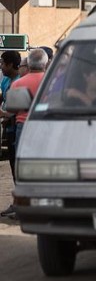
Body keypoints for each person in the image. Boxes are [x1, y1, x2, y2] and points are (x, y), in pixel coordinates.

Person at [1, 49, 48, 219]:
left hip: (23, 126)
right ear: (45, 63)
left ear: (28, 64)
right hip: (46, 127)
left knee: (23, 168)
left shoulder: (18, 83)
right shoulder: (52, 81)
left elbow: (12, 109)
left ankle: (23, 207)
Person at [0, 51, 22, 181]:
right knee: (12, 163)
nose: (1, 66)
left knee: (16, 162)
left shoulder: (20, 82)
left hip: (17, 126)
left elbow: (20, 107)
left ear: (10, 64)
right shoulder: (6, 80)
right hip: (8, 126)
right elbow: (3, 97)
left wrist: (5, 114)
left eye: (2, 63)